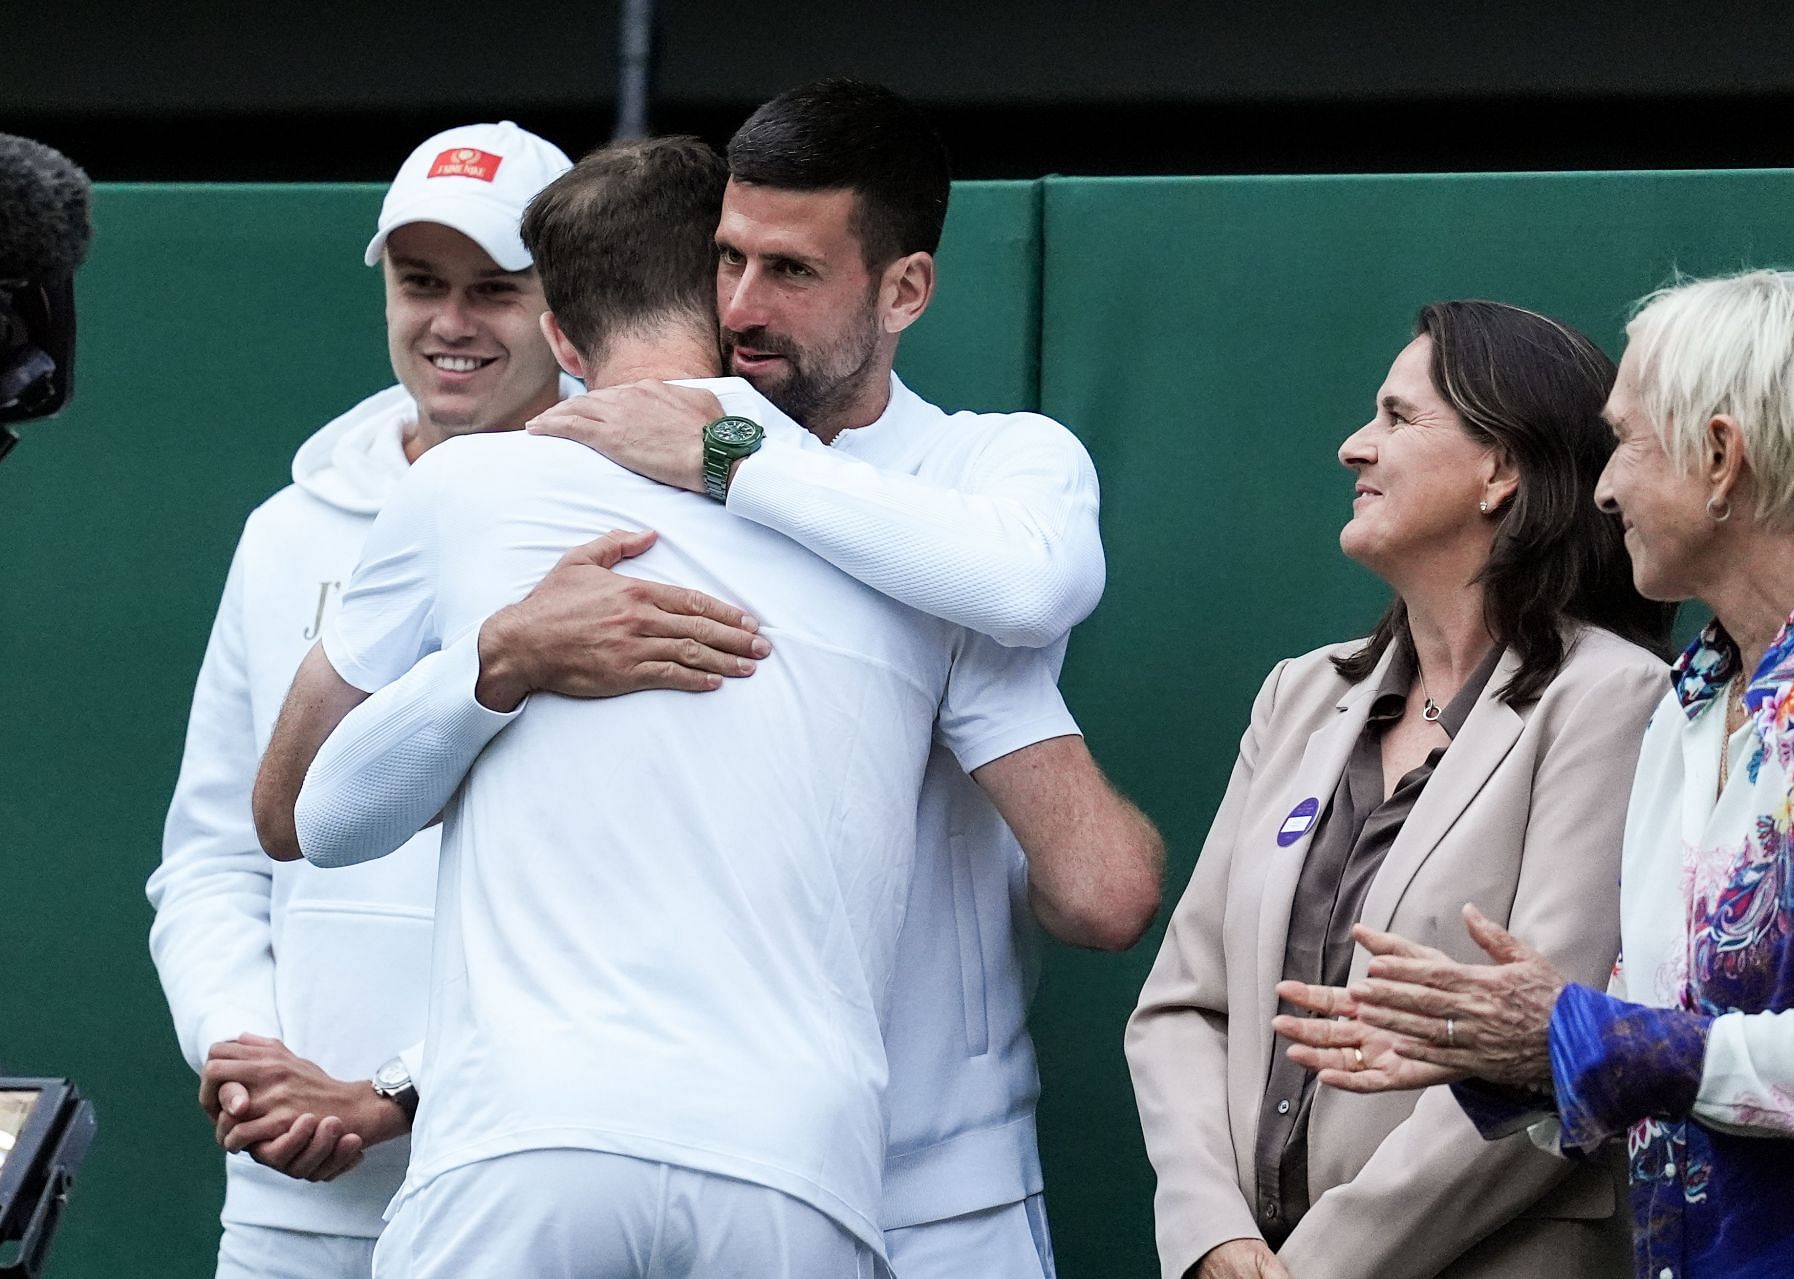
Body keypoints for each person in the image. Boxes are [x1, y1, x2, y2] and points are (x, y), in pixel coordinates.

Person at [272, 79, 1162, 1279]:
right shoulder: (528, 490)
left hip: (920, 1187)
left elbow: (1039, 631)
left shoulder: (973, 483)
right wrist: (508, 658)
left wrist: (729, 453)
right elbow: (299, 818)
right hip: (730, 1156)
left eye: (788, 272)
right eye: (723, 262)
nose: (741, 306)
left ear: (905, 288)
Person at [145, 122, 757, 1279]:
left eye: (495, 290)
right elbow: (219, 852)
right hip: (287, 1195)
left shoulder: (653, 524)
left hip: (531, 1179)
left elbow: (655, 888)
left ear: (563, 311)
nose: (451, 323)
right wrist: (244, 1051)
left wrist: (397, 1090)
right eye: (422, 283)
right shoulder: (284, 533)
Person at [1277, 270, 1794, 1279]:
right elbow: (1650, 1044)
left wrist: (1573, 1031)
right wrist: (1513, 1056)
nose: (1604, 485)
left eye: (1628, 441)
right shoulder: (1688, 708)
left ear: (1719, 457)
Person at [1128, 301, 1674, 1279]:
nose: (1353, 446)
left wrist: (1318, 1268)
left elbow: (1549, 1049)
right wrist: (1215, 1238)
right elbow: (1183, 1007)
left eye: (1396, 417)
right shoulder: (1301, 693)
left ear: (1501, 470)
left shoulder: (1613, 698)